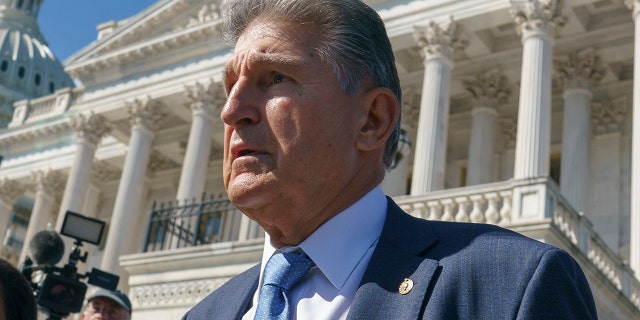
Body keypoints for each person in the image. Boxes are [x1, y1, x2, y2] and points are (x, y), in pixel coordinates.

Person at [183, 0, 598, 319]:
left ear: (372, 120)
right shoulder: (204, 314)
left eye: (275, 78)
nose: (231, 110)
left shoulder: (510, 287)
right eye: (229, 86)